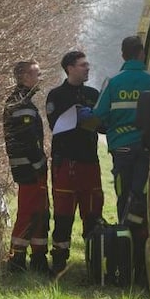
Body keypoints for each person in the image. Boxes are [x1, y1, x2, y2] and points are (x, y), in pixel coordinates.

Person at [93, 36, 150, 284]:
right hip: (148, 149)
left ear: (122, 55)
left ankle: (123, 254)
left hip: (121, 150)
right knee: (141, 199)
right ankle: (141, 258)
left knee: (124, 197)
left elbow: (99, 116)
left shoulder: (113, 82)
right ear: (142, 54)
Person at [44, 50, 104, 278]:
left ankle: (94, 263)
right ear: (70, 68)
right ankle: (59, 262)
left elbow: (103, 126)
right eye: (82, 65)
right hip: (65, 163)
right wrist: (82, 119)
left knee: (93, 213)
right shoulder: (56, 95)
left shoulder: (93, 94)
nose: (87, 68)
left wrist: (90, 120)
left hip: (90, 162)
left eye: (87, 65)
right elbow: (56, 125)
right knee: (63, 214)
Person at [2, 61, 52, 275]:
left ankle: (38, 258)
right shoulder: (20, 104)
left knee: (40, 212)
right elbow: (27, 140)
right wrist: (40, 163)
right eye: (36, 74)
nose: (40, 78)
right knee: (29, 212)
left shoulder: (22, 101)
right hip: (29, 169)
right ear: (23, 77)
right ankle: (17, 259)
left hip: (29, 167)